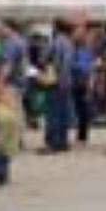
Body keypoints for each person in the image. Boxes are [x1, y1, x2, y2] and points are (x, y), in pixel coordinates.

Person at [41, 19, 75, 154]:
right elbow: (68, 63)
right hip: (66, 82)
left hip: (54, 81)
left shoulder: (54, 42)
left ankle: (53, 143)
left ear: (56, 27)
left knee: (52, 113)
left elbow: (44, 59)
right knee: (63, 113)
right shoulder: (69, 43)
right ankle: (63, 142)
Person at [70, 24, 95, 145]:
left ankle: (82, 136)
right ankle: (81, 135)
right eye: (75, 33)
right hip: (76, 81)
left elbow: (85, 66)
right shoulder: (74, 48)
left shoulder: (85, 49)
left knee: (82, 110)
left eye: (78, 33)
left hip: (82, 82)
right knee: (79, 109)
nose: (76, 35)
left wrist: (72, 64)